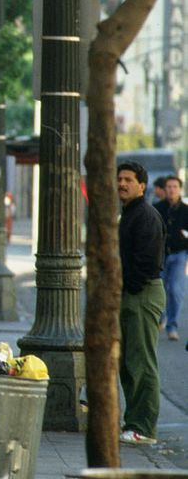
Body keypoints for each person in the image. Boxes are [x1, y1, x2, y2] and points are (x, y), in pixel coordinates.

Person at [117, 160, 165, 446]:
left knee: (141, 362)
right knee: (128, 362)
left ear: (142, 185)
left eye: (128, 180)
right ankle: (133, 423)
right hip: (133, 293)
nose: (122, 184)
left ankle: (143, 428)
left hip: (142, 293)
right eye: (120, 179)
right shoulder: (131, 213)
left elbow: (147, 261)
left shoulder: (144, 215)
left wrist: (129, 286)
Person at [155, 175, 188, 341]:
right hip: (160, 256)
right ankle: (161, 317)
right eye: (168, 186)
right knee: (159, 289)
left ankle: (172, 325)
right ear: (164, 189)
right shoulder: (156, 209)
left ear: (179, 189)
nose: (171, 189)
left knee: (175, 290)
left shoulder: (186, 210)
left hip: (179, 255)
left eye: (175, 186)